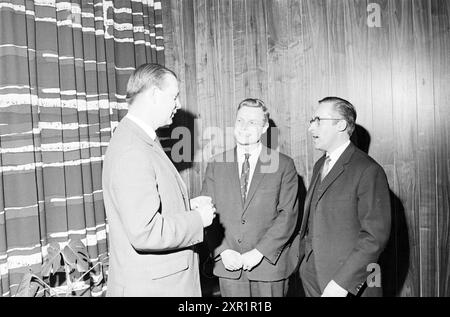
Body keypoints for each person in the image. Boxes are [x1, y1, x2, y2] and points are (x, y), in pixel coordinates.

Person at [102, 63, 215, 297]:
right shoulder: (132, 149)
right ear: (154, 94)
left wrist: (186, 206)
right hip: (154, 288)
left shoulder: (140, 139)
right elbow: (145, 232)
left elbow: (145, 206)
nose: (179, 104)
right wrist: (197, 220)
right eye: (174, 96)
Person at [201, 98, 300, 297]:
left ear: (264, 128)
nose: (244, 127)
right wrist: (223, 250)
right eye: (240, 121)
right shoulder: (216, 163)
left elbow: (288, 216)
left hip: (268, 267)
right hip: (229, 267)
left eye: (253, 122)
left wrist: (259, 252)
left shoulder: (283, 165)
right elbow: (206, 212)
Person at [299, 96, 391, 297]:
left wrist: (341, 284)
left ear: (340, 125)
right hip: (313, 278)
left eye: (318, 121)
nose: (311, 128)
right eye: (311, 121)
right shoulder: (319, 166)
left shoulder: (368, 170)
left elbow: (374, 237)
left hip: (345, 285)